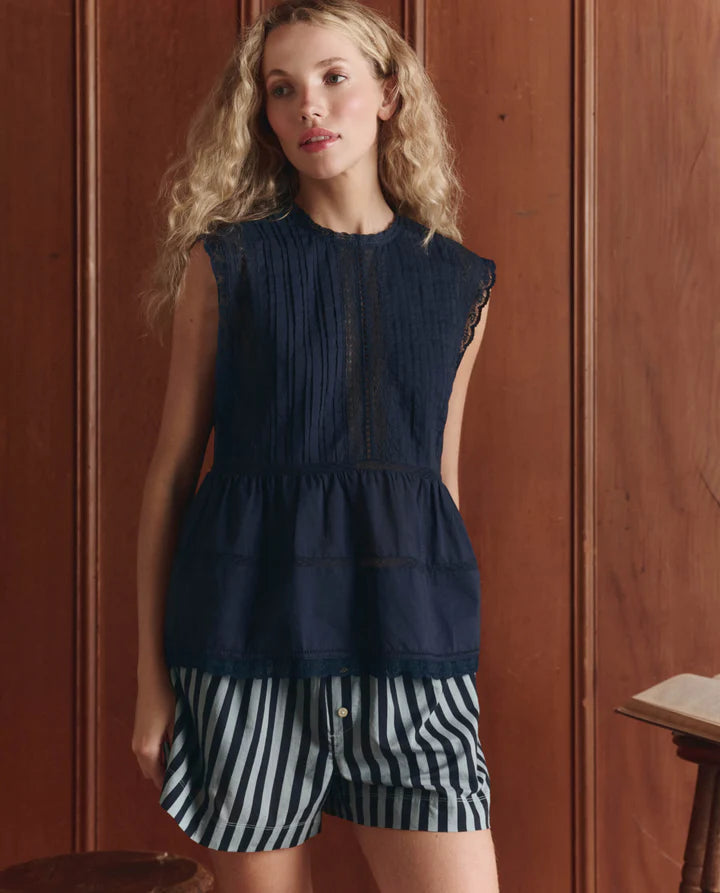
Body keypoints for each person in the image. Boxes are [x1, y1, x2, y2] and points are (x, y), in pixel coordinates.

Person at [133, 1, 500, 891]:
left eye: (334, 78)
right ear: (261, 114)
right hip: (244, 638)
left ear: (388, 95)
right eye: (282, 89)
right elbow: (174, 473)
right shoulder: (226, 263)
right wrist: (151, 682)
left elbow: (434, 483)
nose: (310, 108)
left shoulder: (462, 281)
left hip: (408, 645)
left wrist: (448, 632)